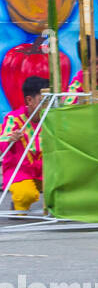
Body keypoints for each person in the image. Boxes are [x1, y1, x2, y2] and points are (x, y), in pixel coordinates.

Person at [1, 76, 48, 214]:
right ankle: (17, 205)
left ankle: (51, 206)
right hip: (20, 171)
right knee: (26, 196)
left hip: (45, 169)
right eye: (43, 101)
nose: (47, 105)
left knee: (62, 188)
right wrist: (11, 139)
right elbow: (3, 140)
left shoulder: (51, 118)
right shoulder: (13, 118)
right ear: (29, 100)